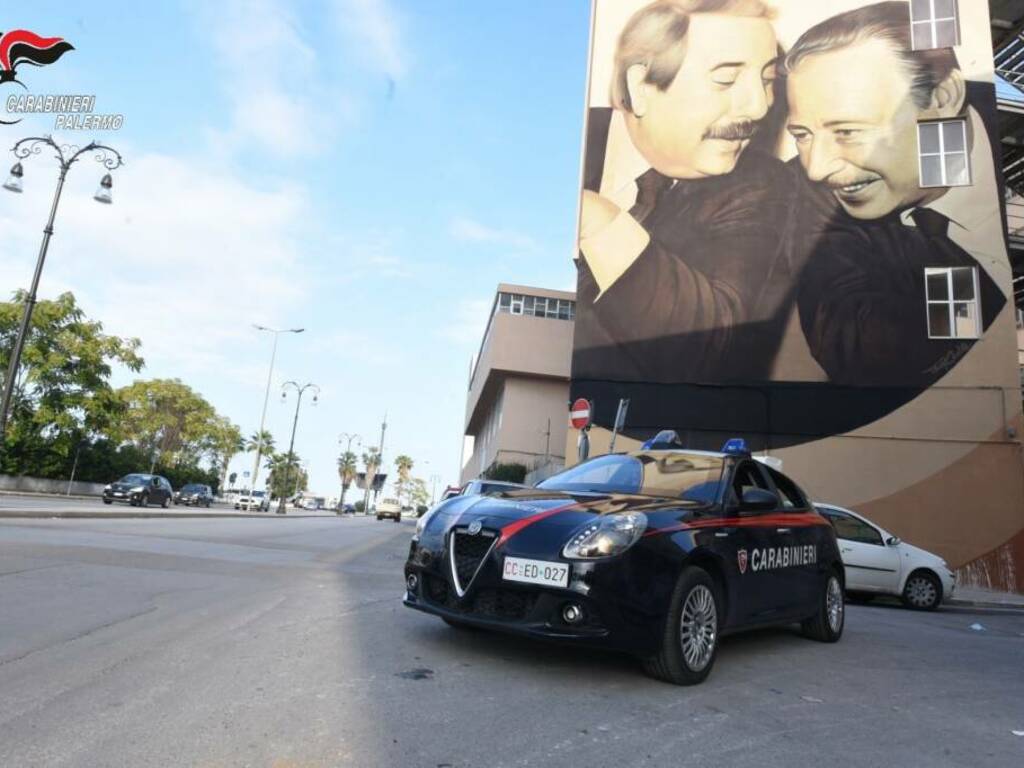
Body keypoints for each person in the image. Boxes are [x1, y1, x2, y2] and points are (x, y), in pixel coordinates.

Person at [574, 0, 798, 389]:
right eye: (726, 80)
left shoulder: (764, 186)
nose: (759, 107)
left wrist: (599, 220)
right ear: (639, 87)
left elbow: (708, 349)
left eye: (766, 80)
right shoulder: (564, 144)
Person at [784, 1, 1006, 386]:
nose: (817, 168)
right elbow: (861, 350)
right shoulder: (808, 194)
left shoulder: (1001, 129)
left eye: (847, 131)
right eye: (802, 135)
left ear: (941, 99)